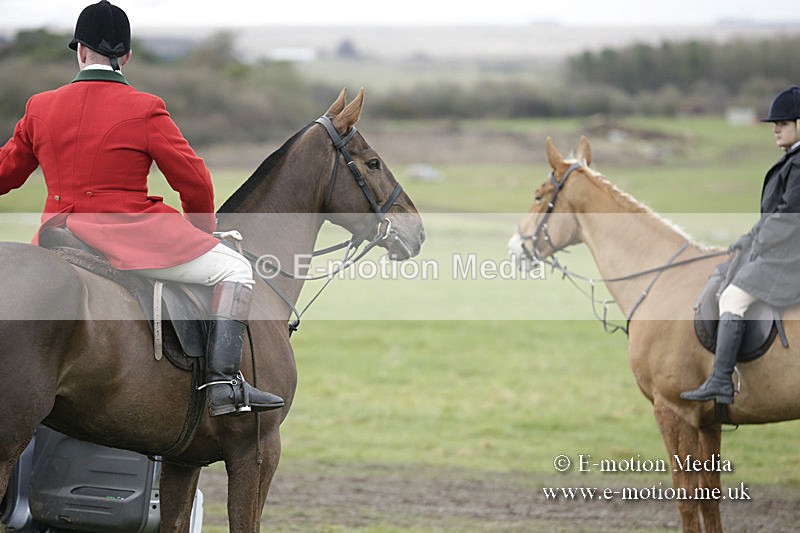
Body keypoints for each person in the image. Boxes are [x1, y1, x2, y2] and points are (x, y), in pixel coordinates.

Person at [0, 0, 283, 416]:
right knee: (235, 269)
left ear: (80, 51)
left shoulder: (40, 106)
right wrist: (201, 233)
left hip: (57, 236)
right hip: (130, 240)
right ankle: (223, 385)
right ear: (126, 57)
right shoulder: (145, 107)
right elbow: (194, 180)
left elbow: (6, 173)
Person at [682, 86, 800, 404]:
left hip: (790, 258)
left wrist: (757, 244)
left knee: (733, 297)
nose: (775, 128)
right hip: (783, 250)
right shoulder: (793, 159)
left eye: (784, 122)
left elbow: (789, 218)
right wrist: (747, 240)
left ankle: (721, 380)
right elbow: (774, 215)